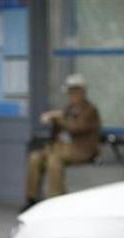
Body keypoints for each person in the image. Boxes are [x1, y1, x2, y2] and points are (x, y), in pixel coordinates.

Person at [23, 74, 101, 209]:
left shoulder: (90, 110)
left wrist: (57, 118)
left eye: (74, 92)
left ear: (82, 91)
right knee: (35, 158)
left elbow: (76, 127)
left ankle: (55, 202)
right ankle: (32, 199)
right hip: (62, 147)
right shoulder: (68, 109)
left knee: (54, 159)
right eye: (70, 92)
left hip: (81, 150)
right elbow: (59, 131)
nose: (71, 95)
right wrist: (55, 120)